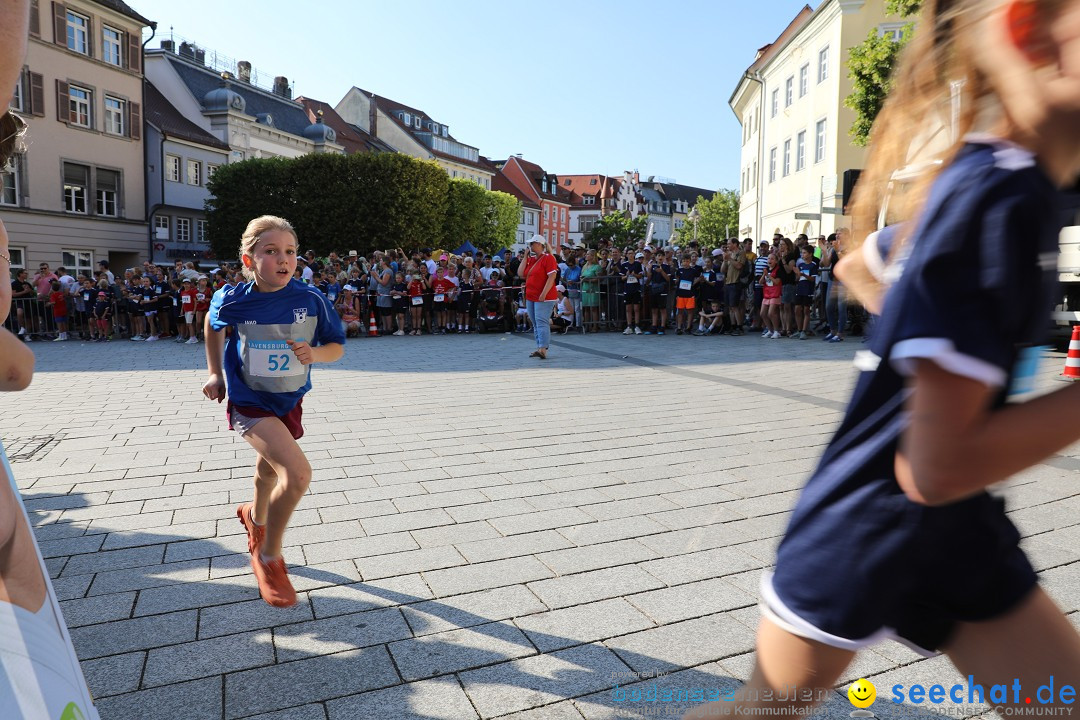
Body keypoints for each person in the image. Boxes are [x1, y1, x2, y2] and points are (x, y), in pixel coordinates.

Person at [683, 0, 1080, 716]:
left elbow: (860, 265)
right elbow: (935, 465)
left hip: (951, 528)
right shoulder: (999, 197)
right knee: (759, 713)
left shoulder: (1010, 189)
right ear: (1031, 32)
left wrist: (917, 332)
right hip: (867, 525)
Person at [203, 216, 344, 608]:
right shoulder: (233, 298)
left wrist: (315, 353)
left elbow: (336, 347)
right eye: (271, 252)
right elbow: (212, 324)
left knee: (269, 468)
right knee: (296, 474)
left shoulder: (311, 299)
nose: (283, 260)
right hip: (249, 402)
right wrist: (215, 372)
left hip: (289, 399)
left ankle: (253, 516)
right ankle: (269, 556)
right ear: (249, 261)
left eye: (290, 252)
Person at [517, 235, 559, 358]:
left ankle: (543, 349)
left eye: (532, 244)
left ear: (540, 245)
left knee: (541, 321)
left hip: (544, 296)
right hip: (531, 296)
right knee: (535, 322)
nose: (530, 246)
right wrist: (525, 257)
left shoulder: (548, 258)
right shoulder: (532, 259)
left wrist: (544, 293)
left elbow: (552, 277)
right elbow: (520, 273)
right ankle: (539, 346)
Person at [793, 245, 819, 339]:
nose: (802, 255)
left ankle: (804, 330)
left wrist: (803, 274)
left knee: (806, 310)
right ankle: (799, 330)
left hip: (808, 289)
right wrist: (797, 274)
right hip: (800, 289)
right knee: (797, 309)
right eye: (802, 253)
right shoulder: (800, 265)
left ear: (810, 254)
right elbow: (797, 278)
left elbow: (812, 279)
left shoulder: (813, 265)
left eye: (804, 253)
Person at [673, 255, 701, 335]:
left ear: (690, 262)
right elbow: (677, 279)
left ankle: (688, 327)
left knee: (690, 311)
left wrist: (692, 284)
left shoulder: (693, 271)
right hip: (680, 293)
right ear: (681, 262)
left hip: (690, 294)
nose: (686, 263)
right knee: (680, 311)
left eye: (687, 261)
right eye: (684, 261)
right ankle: (679, 327)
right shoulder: (679, 270)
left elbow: (699, 277)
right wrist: (676, 281)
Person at [580, 249, 602, 332]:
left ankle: (595, 326)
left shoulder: (597, 267)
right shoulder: (584, 266)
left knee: (593, 308)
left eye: (588, 254)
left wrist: (588, 279)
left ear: (593, 256)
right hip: (585, 288)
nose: (586, 255)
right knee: (586, 308)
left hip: (593, 289)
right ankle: (587, 325)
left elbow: (599, 278)